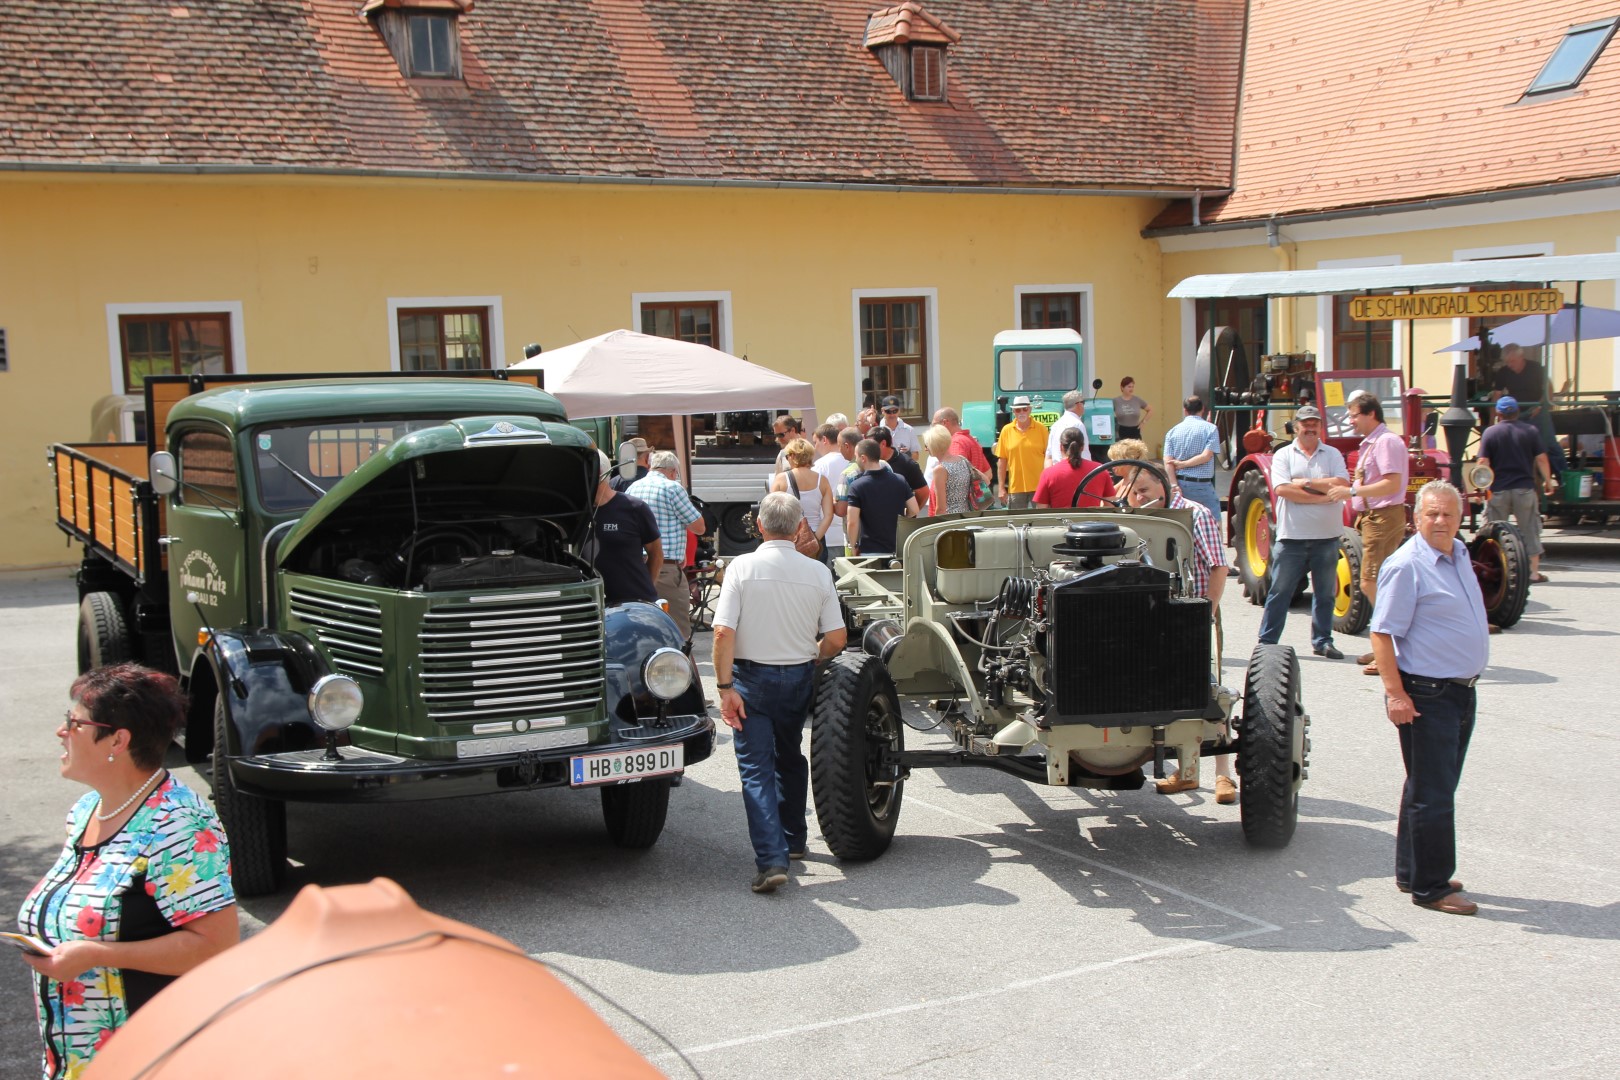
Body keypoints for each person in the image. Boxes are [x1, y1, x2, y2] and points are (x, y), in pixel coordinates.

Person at [19, 663, 240, 1079]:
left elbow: (217, 947)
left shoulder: (179, 823)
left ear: (118, 740)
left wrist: (97, 956)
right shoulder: (86, 812)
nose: (61, 732)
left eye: (75, 723)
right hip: (77, 1064)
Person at [711, 492, 848, 893]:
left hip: (752, 677)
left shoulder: (741, 567)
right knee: (789, 754)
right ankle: (795, 839)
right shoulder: (818, 572)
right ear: (798, 526)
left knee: (756, 769)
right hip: (799, 674)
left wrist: (724, 688)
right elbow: (837, 639)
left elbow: (722, 632)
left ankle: (772, 859)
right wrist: (812, 656)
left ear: (759, 526)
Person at [1368, 480, 1488, 916]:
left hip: (1459, 690)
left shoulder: (1458, 555)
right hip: (1427, 694)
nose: (1440, 521)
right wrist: (1395, 694)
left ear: (1460, 518)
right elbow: (1381, 633)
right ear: (1416, 518)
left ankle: (1412, 870)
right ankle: (1432, 887)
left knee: (1427, 785)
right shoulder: (1407, 565)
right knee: (1434, 793)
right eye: (1432, 514)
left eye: (1448, 515)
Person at [1121, 465, 1233, 802]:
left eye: (1143, 490)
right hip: (1145, 618)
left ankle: (1224, 774)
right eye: (1134, 492)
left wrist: (1204, 614)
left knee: (1206, 689)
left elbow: (1219, 567)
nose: (1140, 498)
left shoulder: (1195, 515)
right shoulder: (1135, 518)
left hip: (1188, 615)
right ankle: (1186, 772)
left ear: (1162, 483)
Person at [1258, 404, 1352, 659]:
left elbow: (1343, 484)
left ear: (1320, 427)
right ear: (1296, 427)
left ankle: (1323, 640)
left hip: (1327, 537)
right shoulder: (1284, 455)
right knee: (1280, 592)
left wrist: (1307, 483)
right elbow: (1283, 490)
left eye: (1315, 423)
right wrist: (1323, 497)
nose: (1310, 428)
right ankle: (1267, 642)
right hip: (1293, 538)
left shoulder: (1332, 454)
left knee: (1325, 594)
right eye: (1305, 424)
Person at [1338, 391, 1410, 675]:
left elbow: (1392, 484)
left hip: (1382, 518)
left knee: (1370, 582)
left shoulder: (1386, 442)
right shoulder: (1375, 442)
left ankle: (1391, 650)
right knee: (1378, 583)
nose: (1351, 421)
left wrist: (1352, 491)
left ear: (1371, 414)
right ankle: (1384, 646)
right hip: (1374, 517)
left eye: (1354, 415)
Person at [627, 450, 707, 639]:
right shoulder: (672, 488)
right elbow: (699, 527)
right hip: (665, 567)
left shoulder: (633, 488)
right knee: (678, 630)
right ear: (672, 471)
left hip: (636, 567)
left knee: (643, 627)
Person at [1477, 395, 1556, 583]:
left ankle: (1496, 569)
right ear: (1517, 412)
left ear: (1498, 414)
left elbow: (1482, 462)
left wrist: (1482, 488)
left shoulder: (1490, 432)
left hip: (1498, 490)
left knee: (1494, 530)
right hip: (1524, 489)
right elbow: (1542, 458)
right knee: (1530, 529)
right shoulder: (1530, 431)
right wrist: (1548, 481)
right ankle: (1533, 573)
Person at [586, 450, 662, 607]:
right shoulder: (574, 513)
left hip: (633, 603)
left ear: (599, 473)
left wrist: (645, 591)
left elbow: (656, 553)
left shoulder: (634, 508)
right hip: (589, 603)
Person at [1490, 343, 1564, 475]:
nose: (1510, 365)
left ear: (1521, 357)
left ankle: (1563, 477)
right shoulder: (1503, 372)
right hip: (1515, 414)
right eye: (1507, 362)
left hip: (1538, 412)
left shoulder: (1536, 368)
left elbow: (1549, 389)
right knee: (1517, 448)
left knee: (1551, 445)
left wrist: (1540, 406)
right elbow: (1496, 396)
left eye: (1512, 361)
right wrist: (1492, 421)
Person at [846, 438, 920, 556]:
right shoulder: (900, 480)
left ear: (863, 458)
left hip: (870, 551)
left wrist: (853, 546)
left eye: (856, 456)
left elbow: (852, 522)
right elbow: (914, 510)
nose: (856, 460)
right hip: (897, 549)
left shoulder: (857, 486)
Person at [769, 437, 834, 562]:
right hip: (816, 537)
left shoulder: (781, 479)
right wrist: (814, 539)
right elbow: (828, 515)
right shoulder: (822, 480)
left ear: (793, 456)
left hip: (788, 539)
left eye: (787, 456)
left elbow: (772, 512)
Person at [1163, 395, 1223, 526]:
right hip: (1202, 486)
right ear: (1202, 409)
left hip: (1179, 484)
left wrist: (1174, 485)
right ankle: (1215, 546)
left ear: (1185, 410)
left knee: (1183, 524)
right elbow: (1206, 456)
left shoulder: (1172, 432)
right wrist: (1184, 464)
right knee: (1213, 522)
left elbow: (1168, 463)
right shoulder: (1210, 429)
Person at [1033, 427, 1117, 509]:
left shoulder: (1048, 473)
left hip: (1061, 522)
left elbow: (1041, 509)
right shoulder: (1100, 470)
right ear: (1083, 447)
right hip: (1093, 521)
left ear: (1061, 447)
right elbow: (1111, 506)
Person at [994, 396, 1049, 509]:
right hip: (1016, 488)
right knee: (1016, 523)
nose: (1022, 412)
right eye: (1018, 410)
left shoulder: (1041, 429)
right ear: (1013, 411)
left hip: (1039, 487)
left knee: (1042, 523)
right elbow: (1002, 461)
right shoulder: (1006, 431)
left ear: (1030, 410)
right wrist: (1001, 488)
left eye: (1025, 409)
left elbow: (1049, 458)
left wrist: (1049, 485)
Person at [923, 423, 988, 516]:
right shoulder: (962, 460)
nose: (926, 449)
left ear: (933, 445)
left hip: (951, 520)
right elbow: (986, 480)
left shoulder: (940, 470)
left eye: (926, 445)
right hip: (967, 515)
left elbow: (941, 509)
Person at [933, 407, 992, 507]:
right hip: (971, 508)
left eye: (934, 425)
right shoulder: (971, 440)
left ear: (944, 423)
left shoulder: (955, 443)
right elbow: (988, 474)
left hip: (954, 511)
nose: (933, 430)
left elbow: (955, 476)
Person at [811, 424, 852, 559]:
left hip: (827, 533)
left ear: (824, 440)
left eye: (815, 442)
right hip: (851, 531)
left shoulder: (820, 465)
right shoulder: (852, 462)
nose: (815, 447)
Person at [869, 425, 929, 505]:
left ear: (883, 444)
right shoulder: (869, 461)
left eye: (871, 446)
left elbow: (923, 492)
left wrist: (910, 514)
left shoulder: (907, 464)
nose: (868, 449)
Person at [1044, 390, 1088, 468]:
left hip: (1057, 471)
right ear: (1078, 404)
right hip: (1074, 470)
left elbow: (1049, 457)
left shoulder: (1055, 425)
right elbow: (1085, 454)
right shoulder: (1078, 425)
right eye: (1083, 402)